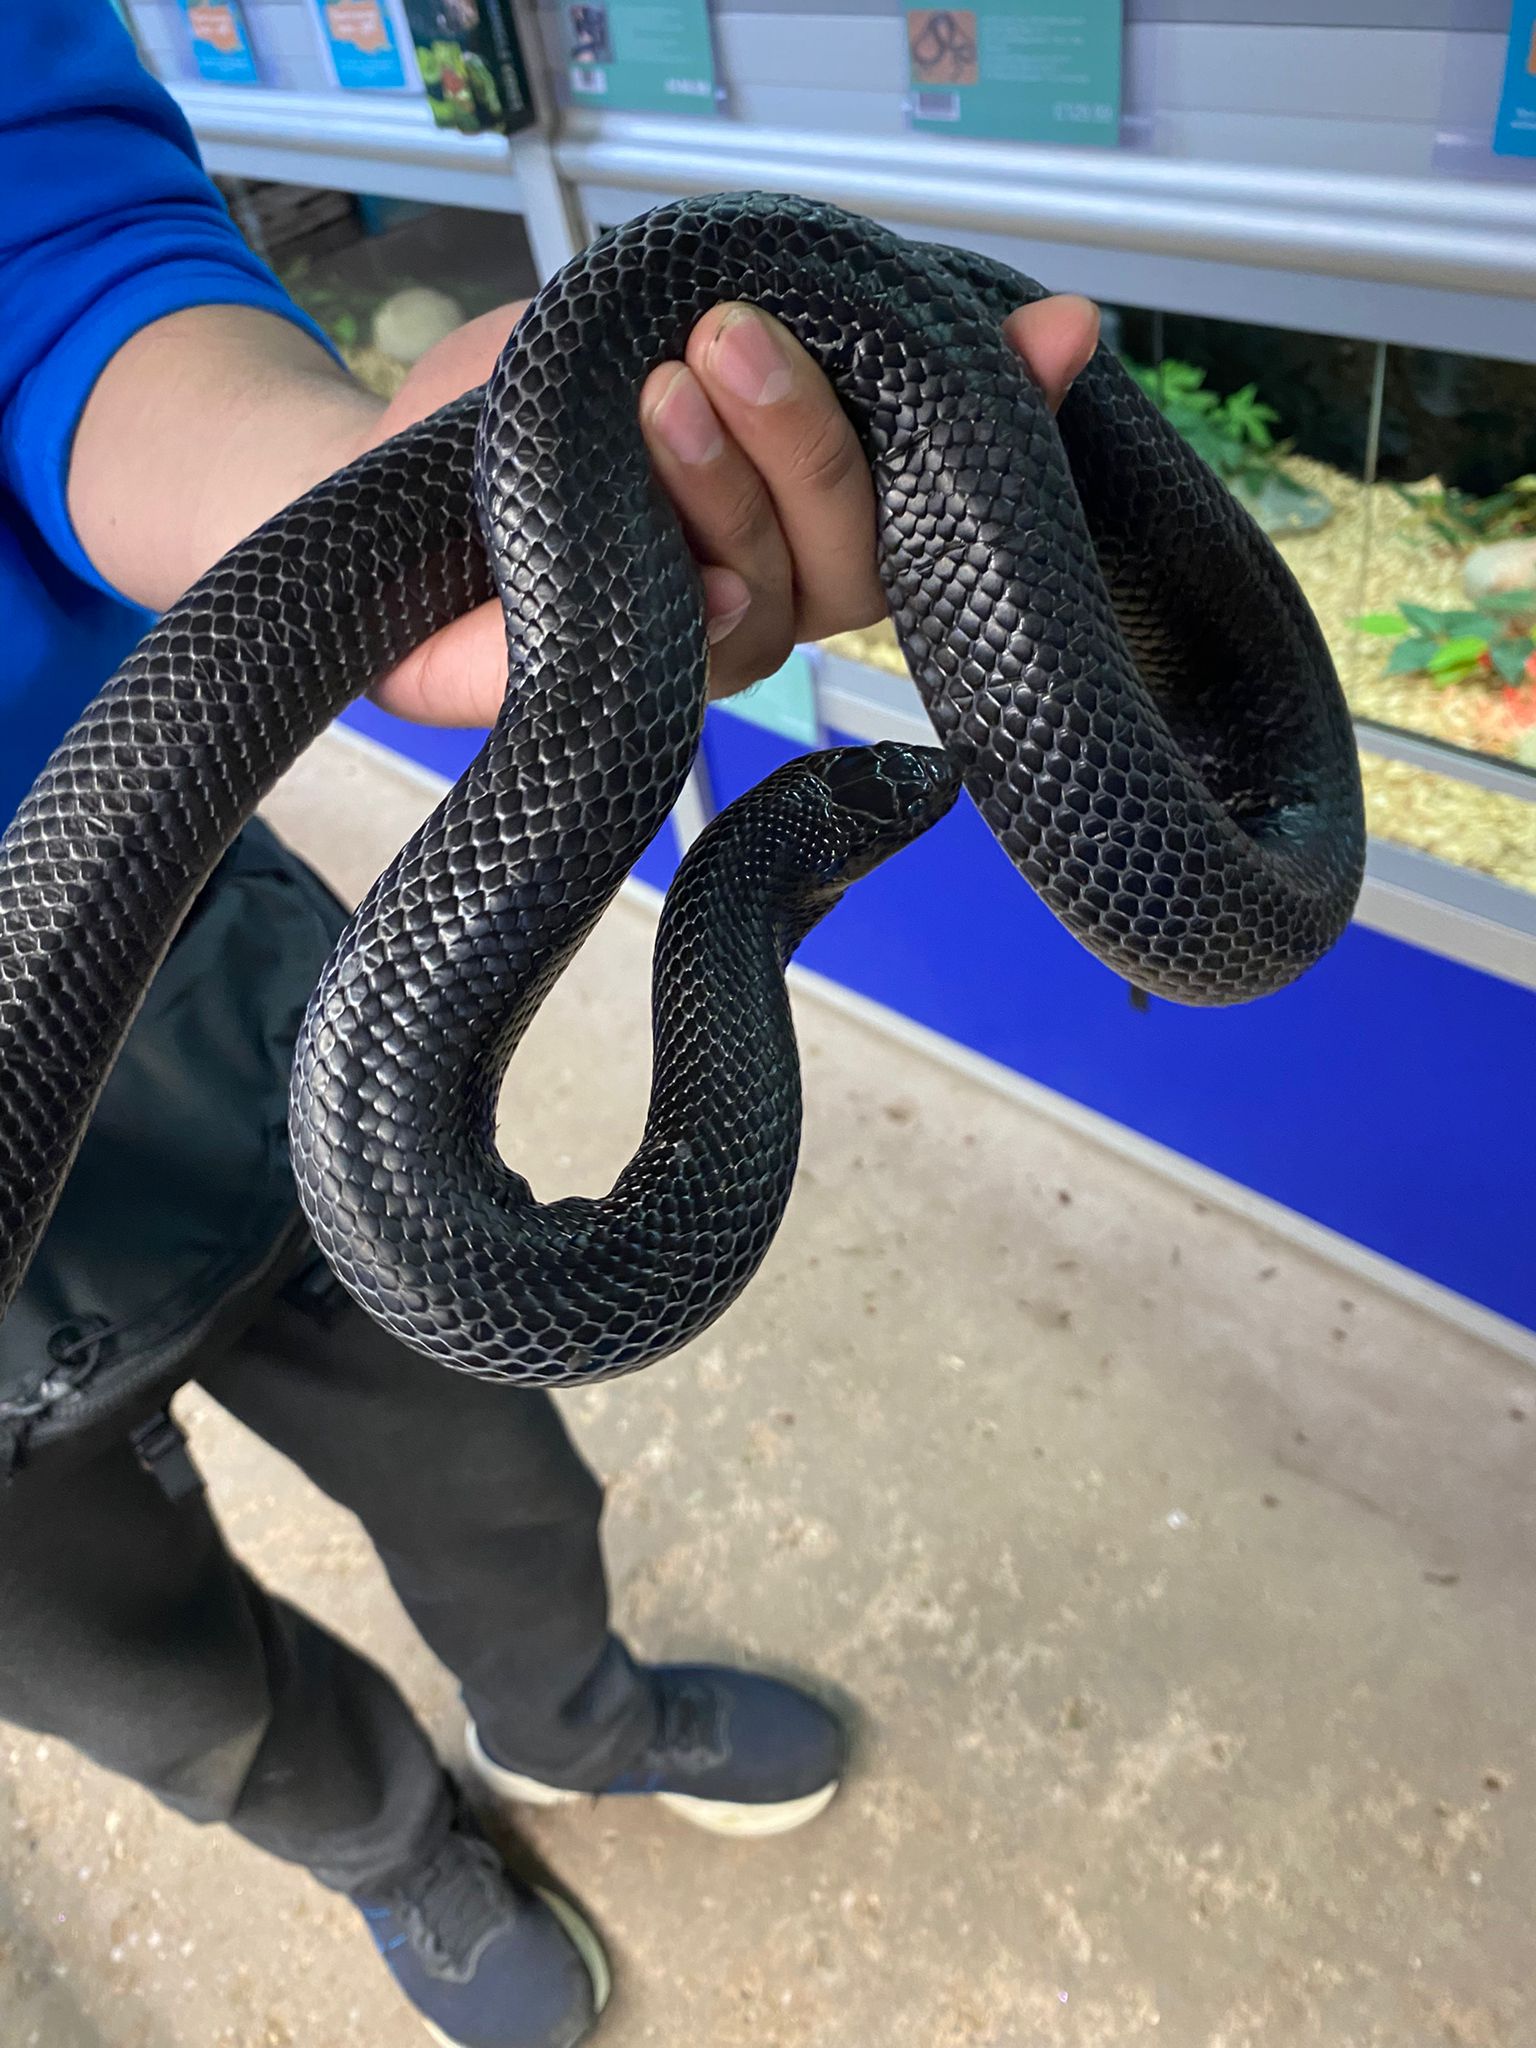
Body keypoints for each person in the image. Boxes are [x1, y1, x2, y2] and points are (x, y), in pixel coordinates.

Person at [0, 10, 1100, 2047]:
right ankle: (389, 1842)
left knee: (487, 1460)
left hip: (148, 948)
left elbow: (41, 248)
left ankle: (572, 1720)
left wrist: (361, 507)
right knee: (154, 1677)